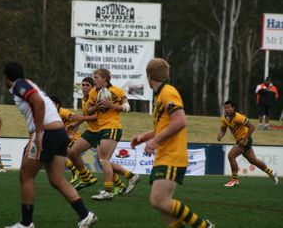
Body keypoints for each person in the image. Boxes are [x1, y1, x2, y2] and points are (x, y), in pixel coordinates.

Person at [3, 62, 97, 228]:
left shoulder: (19, 85)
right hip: (59, 133)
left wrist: (38, 132)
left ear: (6, 77)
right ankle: (85, 215)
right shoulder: (28, 83)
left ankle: (26, 223)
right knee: (56, 179)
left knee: (26, 175)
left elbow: (38, 102)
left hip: (46, 133)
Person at [131, 58, 214, 228]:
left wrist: (156, 140)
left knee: (158, 200)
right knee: (163, 206)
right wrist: (144, 137)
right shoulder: (160, 95)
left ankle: (204, 226)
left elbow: (180, 121)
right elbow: (165, 127)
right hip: (165, 155)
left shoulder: (168, 92)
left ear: (148, 75)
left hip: (172, 155)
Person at [88, 68, 140, 200]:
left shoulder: (116, 90)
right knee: (103, 161)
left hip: (112, 127)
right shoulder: (94, 92)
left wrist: (113, 106)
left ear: (105, 78)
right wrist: (96, 107)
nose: (94, 80)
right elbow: (88, 110)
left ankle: (108, 191)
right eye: (94, 78)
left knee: (104, 160)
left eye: (96, 77)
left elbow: (127, 107)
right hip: (101, 128)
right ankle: (131, 176)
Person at [217, 100, 279, 187]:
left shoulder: (239, 117)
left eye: (228, 107)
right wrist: (220, 135)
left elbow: (252, 126)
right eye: (225, 108)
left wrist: (244, 139)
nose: (226, 109)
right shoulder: (224, 118)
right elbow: (223, 129)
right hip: (240, 141)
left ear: (233, 108)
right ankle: (272, 174)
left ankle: (235, 180)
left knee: (231, 156)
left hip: (245, 140)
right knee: (253, 160)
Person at [49, 95, 81, 184]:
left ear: (57, 105)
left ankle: (77, 171)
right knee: (56, 155)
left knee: (60, 153)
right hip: (63, 138)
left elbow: (78, 120)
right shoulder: (50, 114)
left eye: (52, 104)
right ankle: (75, 171)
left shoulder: (64, 112)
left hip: (73, 138)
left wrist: (73, 134)